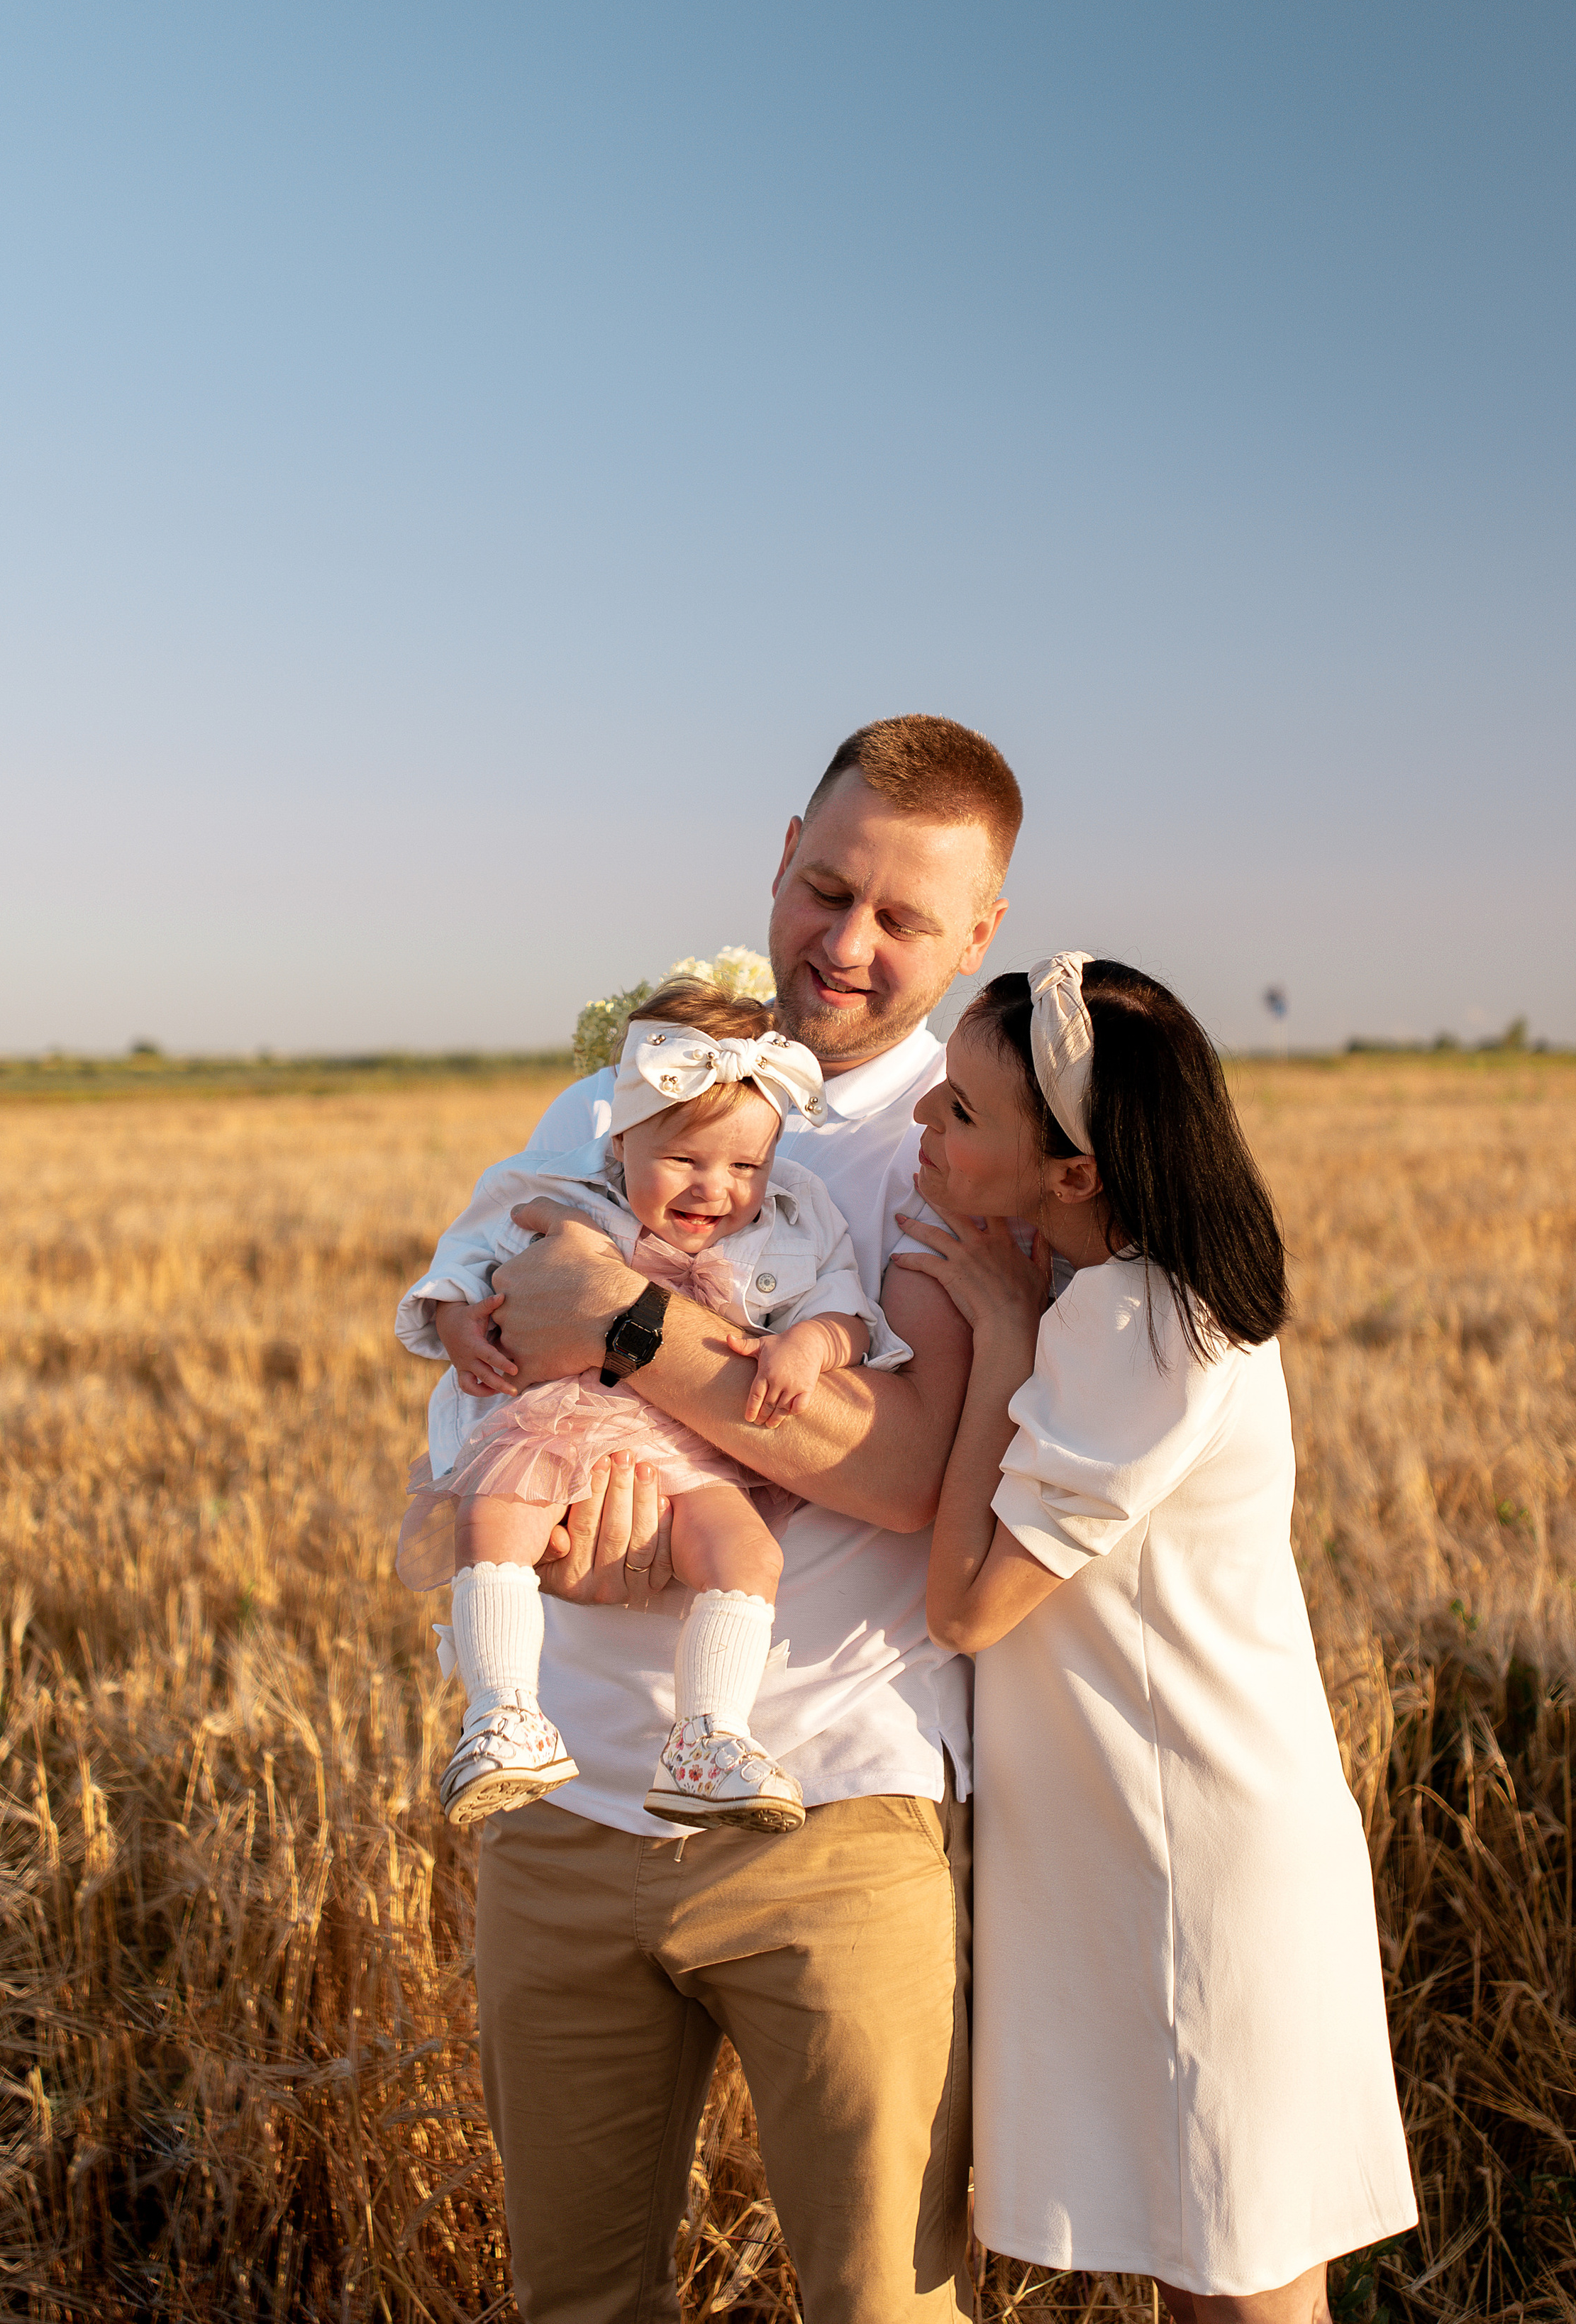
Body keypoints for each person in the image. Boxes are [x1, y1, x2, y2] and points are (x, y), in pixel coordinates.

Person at [429, 714, 1021, 2324]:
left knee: (883, 2304)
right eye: (825, 887)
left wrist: (624, 1324)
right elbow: (478, 1355)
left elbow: (908, 1463)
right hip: (565, 1807)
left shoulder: (954, 1140)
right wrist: (554, 1500)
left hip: (836, 1813)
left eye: (902, 917)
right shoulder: (607, 1098)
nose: (845, 943)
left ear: (978, 933)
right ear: (779, 853)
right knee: (575, 2301)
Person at [894, 956, 1417, 2324]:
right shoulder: (1146, 1291)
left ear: (1073, 1172)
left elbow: (965, 1605)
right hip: (1182, 1828)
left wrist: (999, 1344)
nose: (924, 1123)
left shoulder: (1133, 1324)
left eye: (961, 1109)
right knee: (1215, 2263)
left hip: (1190, 1854)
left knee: (1241, 2281)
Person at [395, 979, 908, 1836]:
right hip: (564, 1417)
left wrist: (812, 1345)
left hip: (700, 1437)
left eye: (745, 1167)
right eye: (685, 1161)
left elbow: (847, 1309)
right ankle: (504, 1715)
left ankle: (709, 1738)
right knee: (496, 1517)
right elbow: (463, 1264)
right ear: (622, 1139)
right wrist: (457, 1323)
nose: (717, 1189)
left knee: (747, 1555)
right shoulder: (551, 1191)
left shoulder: (799, 1213)